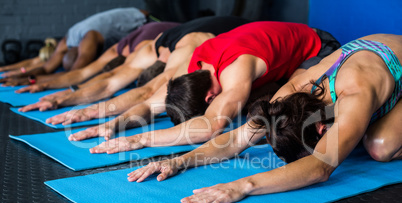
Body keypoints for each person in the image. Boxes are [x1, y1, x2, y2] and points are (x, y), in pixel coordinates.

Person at [127, 34, 401, 203]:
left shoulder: (356, 94)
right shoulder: (288, 97)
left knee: (380, 146)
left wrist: (242, 186)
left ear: (320, 127)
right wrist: (179, 161)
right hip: (369, 60)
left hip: (382, 67)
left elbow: (320, 167)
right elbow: (236, 139)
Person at [79, 21, 339, 154]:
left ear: (210, 96)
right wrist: (112, 124)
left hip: (317, 46)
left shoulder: (236, 70)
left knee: (282, 115)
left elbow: (211, 125)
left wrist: (140, 139)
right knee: (251, 105)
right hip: (276, 54)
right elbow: (149, 102)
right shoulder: (196, 66)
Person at [38, 16, 251, 124]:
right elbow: (110, 79)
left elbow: (148, 93)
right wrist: (64, 96)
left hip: (250, 30)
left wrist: (90, 112)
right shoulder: (150, 47)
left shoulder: (187, 48)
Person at [0, 8, 148, 86]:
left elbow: (77, 74)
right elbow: (46, 68)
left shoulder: (89, 40)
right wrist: (22, 76)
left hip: (144, 18)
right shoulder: (66, 41)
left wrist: (35, 81)